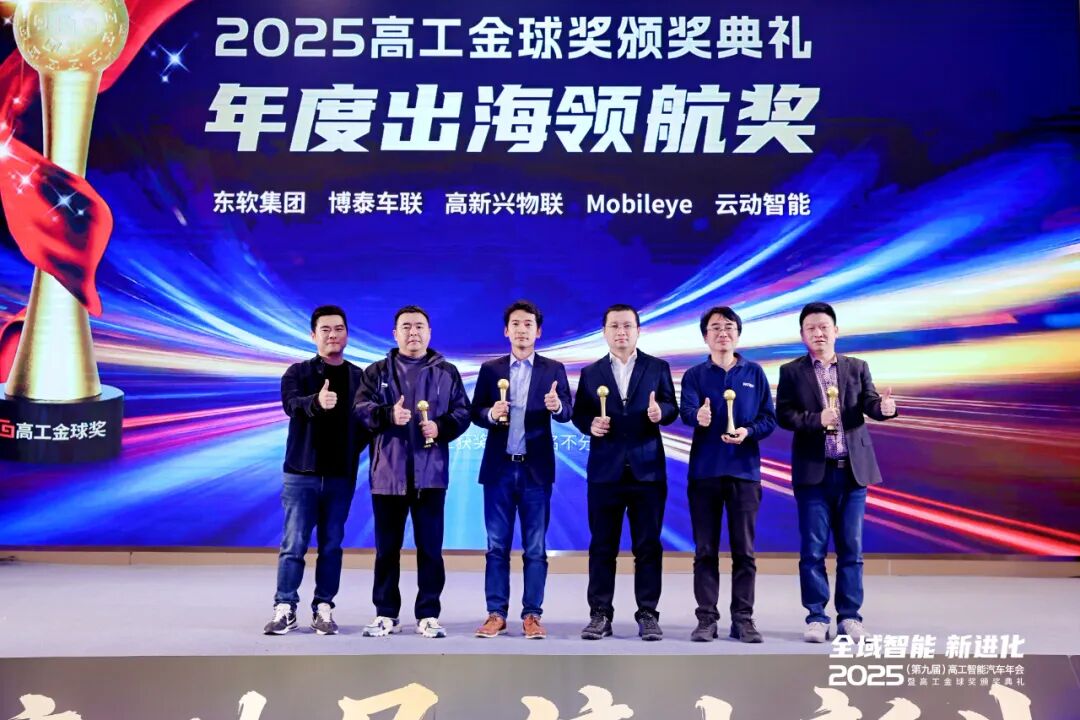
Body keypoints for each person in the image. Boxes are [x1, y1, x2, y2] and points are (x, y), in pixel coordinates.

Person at [776, 301, 898, 643]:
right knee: (812, 550)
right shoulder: (791, 372)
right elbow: (784, 414)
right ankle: (816, 616)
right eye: (811, 328)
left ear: (836, 331)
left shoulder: (857, 367)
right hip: (813, 473)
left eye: (824, 327)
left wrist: (885, 408)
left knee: (851, 549)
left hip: (852, 473)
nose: (818, 333)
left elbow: (870, 403)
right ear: (802, 335)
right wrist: (817, 420)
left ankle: (849, 617)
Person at [353, 305, 471, 638]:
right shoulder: (376, 372)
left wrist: (440, 427)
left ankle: (428, 614)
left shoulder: (446, 372)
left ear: (429, 333)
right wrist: (388, 415)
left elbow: (463, 412)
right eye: (406, 326)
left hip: (430, 475)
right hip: (388, 474)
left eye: (419, 326)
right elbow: (360, 410)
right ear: (395, 334)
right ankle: (386, 613)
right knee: (386, 550)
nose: (413, 332)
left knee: (430, 549)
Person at [571, 304, 677, 641]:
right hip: (606, 472)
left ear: (638, 330)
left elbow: (671, 406)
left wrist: (662, 412)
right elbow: (579, 414)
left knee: (648, 547)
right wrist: (590, 424)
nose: (621, 332)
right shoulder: (591, 373)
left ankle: (648, 613)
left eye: (627, 326)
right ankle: (600, 614)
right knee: (603, 546)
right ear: (604, 331)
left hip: (647, 472)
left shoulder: (657, 367)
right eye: (614, 326)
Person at [470, 301, 573, 640]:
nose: (522, 329)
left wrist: (557, 407)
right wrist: (490, 414)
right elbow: (475, 412)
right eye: (515, 324)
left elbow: (568, 411)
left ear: (538, 331)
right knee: (496, 547)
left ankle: (532, 614)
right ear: (506, 330)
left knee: (535, 549)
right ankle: (496, 614)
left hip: (536, 471)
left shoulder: (553, 369)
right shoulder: (491, 370)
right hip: (499, 470)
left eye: (528, 324)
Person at [265, 305, 366, 636]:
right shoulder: (297, 373)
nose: (332, 335)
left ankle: (324, 606)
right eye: (325, 329)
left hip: (340, 476)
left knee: (332, 545)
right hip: (301, 474)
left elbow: (366, 424)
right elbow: (291, 405)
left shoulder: (360, 377)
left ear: (347, 334)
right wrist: (316, 403)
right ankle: (285, 607)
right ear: (313, 335)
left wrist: (349, 452)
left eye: (338, 329)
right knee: (293, 544)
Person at [679, 306, 776, 643]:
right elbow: (686, 410)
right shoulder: (695, 375)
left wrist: (748, 432)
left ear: (738, 333)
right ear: (705, 336)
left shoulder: (754, 373)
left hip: (744, 472)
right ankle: (706, 618)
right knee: (705, 550)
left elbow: (768, 418)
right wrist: (699, 417)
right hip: (705, 473)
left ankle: (743, 619)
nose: (723, 332)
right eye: (716, 327)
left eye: (729, 327)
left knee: (744, 552)